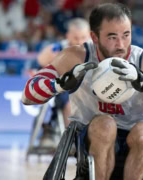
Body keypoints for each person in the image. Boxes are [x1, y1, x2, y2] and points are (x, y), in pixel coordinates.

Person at [22, 2, 143, 180]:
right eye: (112, 37)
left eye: (126, 35)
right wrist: (60, 85)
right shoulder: (75, 56)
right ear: (95, 37)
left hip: (136, 138)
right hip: (91, 137)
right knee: (106, 124)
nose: (121, 45)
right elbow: (27, 95)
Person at [35, 18, 91, 148]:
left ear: (89, 36)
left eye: (83, 37)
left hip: (89, 90)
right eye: (76, 38)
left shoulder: (94, 50)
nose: (80, 41)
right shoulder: (57, 48)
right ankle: (73, 142)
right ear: (68, 36)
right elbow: (40, 60)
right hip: (65, 89)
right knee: (71, 103)